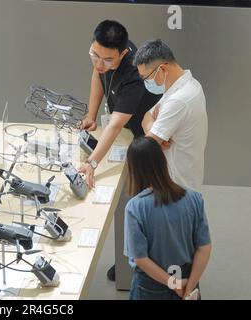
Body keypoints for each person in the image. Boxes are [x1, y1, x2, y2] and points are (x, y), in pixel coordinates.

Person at [79, 20, 161, 282]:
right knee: (129, 199)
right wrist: (91, 115)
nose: (99, 63)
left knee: (145, 202)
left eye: (107, 59)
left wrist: (91, 164)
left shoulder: (133, 75)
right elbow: (97, 76)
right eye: (95, 55)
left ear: (123, 53)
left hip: (148, 138)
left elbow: (114, 125)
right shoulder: (103, 57)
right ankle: (129, 261)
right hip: (127, 131)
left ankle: (147, 266)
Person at [124, 137, 212, 300]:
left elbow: (141, 258)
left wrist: (174, 284)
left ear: (133, 168)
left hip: (151, 286)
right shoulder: (194, 198)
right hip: (188, 280)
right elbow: (204, 248)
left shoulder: (135, 207)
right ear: (162, 160)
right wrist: (189, 286)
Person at [134, 39, 208, 191]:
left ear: (162, 69)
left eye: (145, 78)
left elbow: (148, 148)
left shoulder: (179, 100)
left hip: (177, 187)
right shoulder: (185, 84)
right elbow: (146, 117)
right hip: (174, 181)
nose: (145, 83)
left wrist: (154, 137)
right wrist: (154, 127)